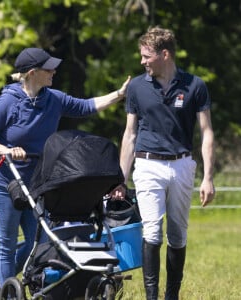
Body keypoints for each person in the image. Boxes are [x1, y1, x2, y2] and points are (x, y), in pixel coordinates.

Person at [0, 47, 130, 299]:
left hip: (34, 183)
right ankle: (7, 292)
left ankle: (0, 281)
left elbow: (85, 106)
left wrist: (119, 94)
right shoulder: (7, 102)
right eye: (49, 69)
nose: (54, 71)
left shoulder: (52, 98)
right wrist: (6, 149)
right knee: (7, 241)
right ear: (33, 73)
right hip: (4, 181)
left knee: (41, 240)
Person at [111, 27, 215, 300]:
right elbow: (130, 135)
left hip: (182, 166)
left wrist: (208, 177)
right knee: (152, 231)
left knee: (178, 235)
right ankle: (152, 297)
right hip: (147, 166)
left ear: (164, 54)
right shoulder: (136, 87)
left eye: (147, 56)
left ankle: (172, 295)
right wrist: (121, 178)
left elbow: (207, 133)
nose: (142, 61)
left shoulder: (195, 86)